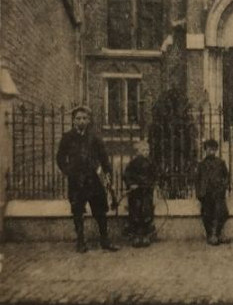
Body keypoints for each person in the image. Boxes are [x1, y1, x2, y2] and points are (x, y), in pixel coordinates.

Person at [56, 105, 119, 253]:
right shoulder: (67, 137)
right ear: (73, 120)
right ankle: (80, 242)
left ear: (89, 120)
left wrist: (107, 174)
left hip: (94, 180)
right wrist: (68, 170)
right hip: (77, 181)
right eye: (78, 118)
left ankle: (105, 240)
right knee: (78, 211)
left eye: (84, 118)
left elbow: (104, 158)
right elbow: (60, 158)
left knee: (100, 211)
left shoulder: (95, 137)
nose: (81, 121)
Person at [195, 138, 230, 246]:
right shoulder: (201, 164)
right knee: (207, 214)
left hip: (218, 193)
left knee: (223, 213)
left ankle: (218, 234)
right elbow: (197, 180)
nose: (211, 151)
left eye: (213, 149)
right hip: (206, 193)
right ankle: (210, 235)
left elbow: (226, 176)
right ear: (205, 150)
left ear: (216, 150)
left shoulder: (220, 163)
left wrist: (223, 186)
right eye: (209, 149)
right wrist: (199, 193)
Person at [123, 138, 157, 248]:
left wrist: (151, 184)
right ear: (137, 152)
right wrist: (131, 184)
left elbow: (154, 176)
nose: (146, 152)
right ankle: (137, 236)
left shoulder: (151, 163)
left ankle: (146, 235)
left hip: (146, 193)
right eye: (143, 150)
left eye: (147, 150)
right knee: (135, 212)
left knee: (147, 212)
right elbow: (127, 175)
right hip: (135, 193)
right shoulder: (132, 164)